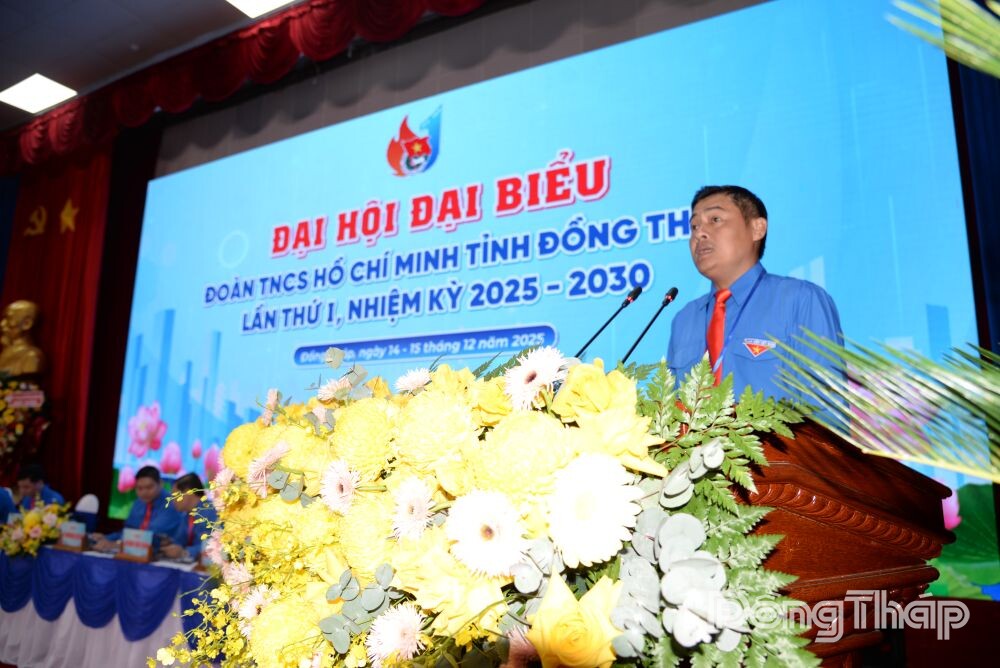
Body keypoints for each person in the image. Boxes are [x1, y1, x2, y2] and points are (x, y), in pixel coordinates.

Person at [667, 185, 843, 401]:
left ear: (757, 228)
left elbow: (825, 408)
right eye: (694, 226)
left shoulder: (800, 299)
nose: (699, 233)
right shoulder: (684, 319)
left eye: (715, 220)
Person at [92, 466, 182, 552]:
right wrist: (107, 538)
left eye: (149, 487)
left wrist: (117, 544)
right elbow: (129, 530)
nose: (144, 492)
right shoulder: (138, 503)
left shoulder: (172, 504)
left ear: (161, 484)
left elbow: (151, 537)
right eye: (139, 488)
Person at [160, 473, 217, 561]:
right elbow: (180, 540)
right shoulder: (187, 515)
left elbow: (214, 544)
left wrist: (185, 552)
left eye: (175, 496)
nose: (173, 501)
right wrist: (169, 544)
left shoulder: (212, 512)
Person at [0, 300, 46, 376]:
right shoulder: (5, 352)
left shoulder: (31, 356)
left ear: (26, 324)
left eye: (8, 319)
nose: (2, 324)